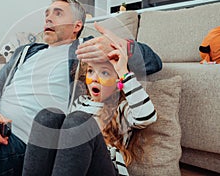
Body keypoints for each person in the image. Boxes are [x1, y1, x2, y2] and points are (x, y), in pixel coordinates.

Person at [0, 0, 161, 176]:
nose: (48, 17)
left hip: (12, 141)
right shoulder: (26, 51)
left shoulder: (84, 50)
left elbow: (152, 60)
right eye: (47, 13)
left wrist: (118, 46)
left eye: (58, 13)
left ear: (76, 26)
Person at [22, 40, 157, 176]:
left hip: (105, 168)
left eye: (104, 73)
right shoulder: (80, 102)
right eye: (90, 71)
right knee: (48, 116)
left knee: (79, 121)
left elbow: (147, 116)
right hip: (75, 166)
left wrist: (123, 73)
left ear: (118, 82)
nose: (94, 78)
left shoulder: (121, 108)